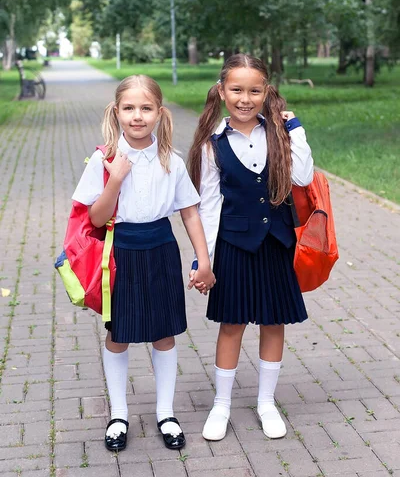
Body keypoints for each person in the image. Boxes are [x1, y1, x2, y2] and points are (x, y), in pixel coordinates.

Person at [72, 75, 215, 453]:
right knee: (118, 334)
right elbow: (98, 219)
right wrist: (115, 179)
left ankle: (165, 412)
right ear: (116, 112)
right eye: (129, 108)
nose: (137, 116)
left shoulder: (172, 161)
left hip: (161, 250)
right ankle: (118, 414)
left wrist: (203, 259)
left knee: (163, 333)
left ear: (160, 114)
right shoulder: (104, 160)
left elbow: (189, 214)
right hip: (119, 254)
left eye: (146, 108)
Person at [187, 54, 314, 441]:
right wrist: (202, 260)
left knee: (274, 323)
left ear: (266, 92)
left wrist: (295, 128)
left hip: (276, 244)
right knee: (232, 324)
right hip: (235, 245)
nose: (246, 98)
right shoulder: (213, 145)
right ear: (223, 92)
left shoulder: (279, 133)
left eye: (254, 90)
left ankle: (266, 402)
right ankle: (221, 405)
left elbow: (303, 175)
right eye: (237, 90)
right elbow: (208, 206)